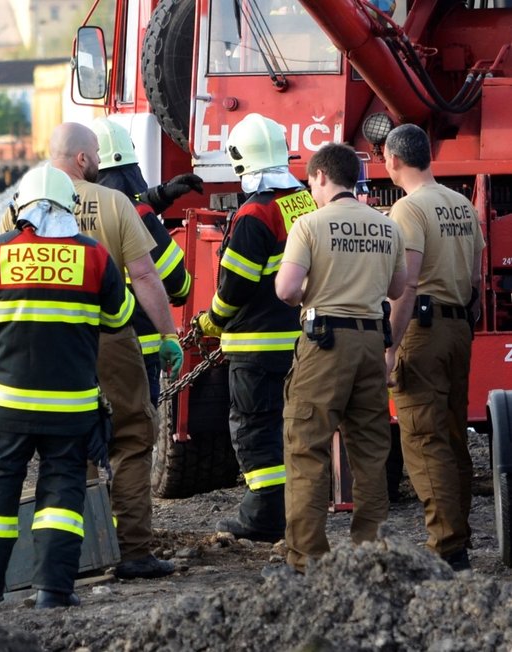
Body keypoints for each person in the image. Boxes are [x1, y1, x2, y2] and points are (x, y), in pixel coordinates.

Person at [0, 165, 135, 614]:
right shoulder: (95, 257)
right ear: (70, 210)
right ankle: (53, 590)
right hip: (71, 409)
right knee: (62, 494)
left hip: (7, 403)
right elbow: (119, 316)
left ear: (20, 209)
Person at [0, 123, 184, 579]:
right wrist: (167, 334)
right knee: (132, 437)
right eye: (97, 154)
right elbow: (144, 275)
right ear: (82, 158)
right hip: (110, 338)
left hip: (46, 345)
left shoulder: (20, 205)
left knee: (66, 444)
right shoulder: (115, 203)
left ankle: (76, 553)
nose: (101, 162)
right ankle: (134, 551)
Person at [275, 143, 406, 572]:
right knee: (370, 451)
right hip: (372, 344)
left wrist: (316, 288)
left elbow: (286, 289)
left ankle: (307, 557)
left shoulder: (309, 225)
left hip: (326, 343)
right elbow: (397, 287)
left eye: (311, 182)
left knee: (307, 446)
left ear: (322, 177)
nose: (311, 190)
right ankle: (371, 553)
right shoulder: (387, 226)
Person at [193, 113, 316, 543]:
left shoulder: (254, 214)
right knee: (290, 427)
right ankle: (290, 510)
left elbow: (235, 285)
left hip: (256, 345)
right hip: (301, 341)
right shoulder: (305, 201)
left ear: (241, 161)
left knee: (253, 427)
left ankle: (264, 514)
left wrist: (211, 320)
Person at [383, 123, 484, 571]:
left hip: (423, 331)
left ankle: (445, 548)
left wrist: (389, 347)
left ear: (393, 160)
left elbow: (403, 287)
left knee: (424, 439)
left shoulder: (408, 210)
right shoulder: (460, 204)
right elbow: (478, 278)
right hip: (458, 325)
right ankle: (457, 535)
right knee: (450, 433)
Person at [91, 117, 201, 406]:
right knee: (133, 434)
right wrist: (180, 293)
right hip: (136, 344)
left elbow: (120, 199)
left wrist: (161, 195)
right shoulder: (136, 212)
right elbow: (176, 279)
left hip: (76, 347)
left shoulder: (65, 207)